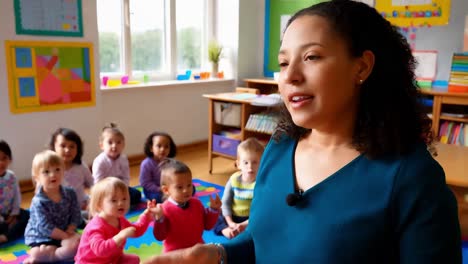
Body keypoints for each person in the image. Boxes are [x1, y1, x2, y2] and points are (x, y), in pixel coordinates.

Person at [143, 1, 461, 263]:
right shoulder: (280, 148)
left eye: (311, 57)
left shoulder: (412, 179)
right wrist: (218, 254)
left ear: (361, 67)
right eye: (283, 63)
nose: (291, 76)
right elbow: (264, 236)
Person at [75, 177, 159, 264]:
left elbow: (135, 231)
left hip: (111, 258)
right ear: (99, 205)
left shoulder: (119, 219)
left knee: (134, 260)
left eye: (124, 199)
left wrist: (146, 217)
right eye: (114, 200)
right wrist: (120, 236)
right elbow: (100, 250)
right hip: (91, 262)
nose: (120, 203)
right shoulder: (96, 227)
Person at [152, 158, 222, 252]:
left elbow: (207, 226)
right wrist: (159, 219)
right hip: (174, 254)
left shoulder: (196, 203)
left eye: (189, 185)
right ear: (166, 190)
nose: (186, 190)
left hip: (197, 249)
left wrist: (213, 210)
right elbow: (160, 236)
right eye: (179, 187)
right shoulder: (164, 209)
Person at [24, 150, 81, 264]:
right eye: (46, 172)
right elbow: (44, 226)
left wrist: (70, 228)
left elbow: (76, 213)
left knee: (80, 242)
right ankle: (52, 255)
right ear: (37, 177)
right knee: (38, 251)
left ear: (63, 171)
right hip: (42, 236)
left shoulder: (70, 193)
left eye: (57, 170)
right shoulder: (38, 201)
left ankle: (50, 256)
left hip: (65, 231)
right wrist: (64, 236)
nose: (53, 175)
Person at [213, 138, 264, 239]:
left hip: (250, 218)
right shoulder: (233, 179)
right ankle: (225, 230)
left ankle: (243, 230)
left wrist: (244, 224)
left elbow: (261, 208)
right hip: (232, 215)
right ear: (238, 164)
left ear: (262, 163)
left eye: (255, 162)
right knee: (214, 213)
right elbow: (226, 202)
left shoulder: (262, 183)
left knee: (264, 218)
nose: (250, 167)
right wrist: (230, 222)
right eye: (245, 162)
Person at [49, 127, 93, 225]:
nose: (67, 150)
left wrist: (92, 201)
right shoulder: (49, 170)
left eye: (72, 146)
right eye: (63, 146)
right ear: (54, 147)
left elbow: (93, 184)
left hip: (82, 205)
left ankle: (84, 220)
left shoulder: (81, 166)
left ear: (78, 149)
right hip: (62, 211)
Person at [92, 123, 142, 206]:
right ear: (102, 145)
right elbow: (98, 182)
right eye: (110, 142)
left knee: (137, 195)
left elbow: (126, 177)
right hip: (105, 190)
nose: (114, 145)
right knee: (101, 201)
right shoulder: (99, 161)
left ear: (123, 145)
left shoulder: (123, 159)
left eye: (118, 142)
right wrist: (109, 192)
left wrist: (123, 190)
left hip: (120, 188)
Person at [0, 140, 29, 244]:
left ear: (10, 159)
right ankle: (7, 230)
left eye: (4, 158)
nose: (1, 162)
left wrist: (14, 214)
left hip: (9, 213)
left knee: (26, 215)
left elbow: (17, 196)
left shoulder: (12, 177)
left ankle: (6, 236)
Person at [139, 131, 177, 203]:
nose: (162, 149)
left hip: (168, 188)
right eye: (159, 146)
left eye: (166, 147)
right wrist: (159, 189)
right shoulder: (146, 164)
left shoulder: (171, 162)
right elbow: (145, 183)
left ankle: (173, 197)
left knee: (191, 189)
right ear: (151, 148)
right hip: (153, 190)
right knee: (157, 198)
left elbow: (175, 176)